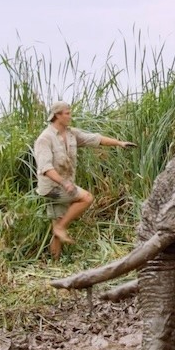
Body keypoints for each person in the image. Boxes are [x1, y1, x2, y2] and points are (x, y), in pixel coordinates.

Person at [33, 101, 135, 258]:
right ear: (57, 116)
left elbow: (95, 139)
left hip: (64, 185)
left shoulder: (71, 133)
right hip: (53, 188)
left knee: (58, 221)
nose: (70, 116)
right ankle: (60, 227)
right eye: (67, 113)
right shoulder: (45, 139)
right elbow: (45, 168)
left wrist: (119, 143)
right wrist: (65, 183)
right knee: (86, 198)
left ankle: (54, 261)